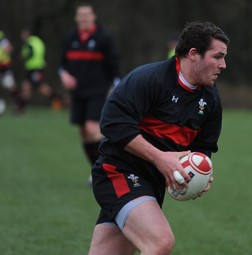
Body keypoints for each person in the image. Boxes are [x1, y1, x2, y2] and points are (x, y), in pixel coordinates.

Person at [87, 21, 229, 255]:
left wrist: (199, 173)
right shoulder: (149, 79)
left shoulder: (210, 100)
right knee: (160, 242)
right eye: (218, 57)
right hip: (118, 172)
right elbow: (113, 124)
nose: (223, 65)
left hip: (152, 184)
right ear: (194, 54)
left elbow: (203, 147)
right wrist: (161, 158)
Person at [59, 3, 120, 184]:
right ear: (76, 18)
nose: (83, 18)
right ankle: (96, 170)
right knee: (84, 133)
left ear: (94, 16)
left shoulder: (104, 38)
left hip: (98, 91)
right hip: (78, 93)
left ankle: (109, 166)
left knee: (93, 130)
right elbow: (62, 65)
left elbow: (114, 66)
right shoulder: (71, 37)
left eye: (87, 14)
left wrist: (114, 88)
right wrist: (64, 76)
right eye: (80, 15)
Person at [20, 28, 63, 113]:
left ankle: (59, 100)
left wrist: (23, 55)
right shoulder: (37, 41)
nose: (21, 36)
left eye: (23, 34)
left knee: (41, 88)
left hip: (35, 68)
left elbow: (30, 53)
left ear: (27, 33)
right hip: (35, 68)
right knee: (27, 87)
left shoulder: (30, 42)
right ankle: (21, 108)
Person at [0, 30, 22, 114]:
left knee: (11, 86)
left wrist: (6, 48)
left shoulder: (2, 40)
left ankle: (19, 105)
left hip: (5, 67)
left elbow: (9, 49)